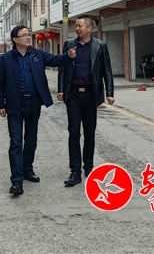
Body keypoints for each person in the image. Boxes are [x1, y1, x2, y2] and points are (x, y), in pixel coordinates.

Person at [0, 25, 76, 196]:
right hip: (15, 104)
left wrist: (68, 56)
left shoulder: (38, 54)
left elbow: (56, 60)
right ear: (15, 39)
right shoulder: (6, 59)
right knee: (16, 142)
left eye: (28, 34)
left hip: (33, 103)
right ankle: (16, 181)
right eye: (23, 35)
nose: (27, 37)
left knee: (31, 139)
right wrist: (0, 104)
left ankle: (27, 169)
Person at [57, 16, 114, 186]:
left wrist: (110, 93)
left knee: (90, 133)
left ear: (89, 28)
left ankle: (88, 168)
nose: (77, 28)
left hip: (90, 95)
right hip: (73, 95)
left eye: (80, 26)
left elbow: (107, 70)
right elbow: (63, 68)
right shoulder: (69, 45)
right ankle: (75, 171)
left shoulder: (100, 46)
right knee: (74, 132)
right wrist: (61, 89)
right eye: (76, 26)